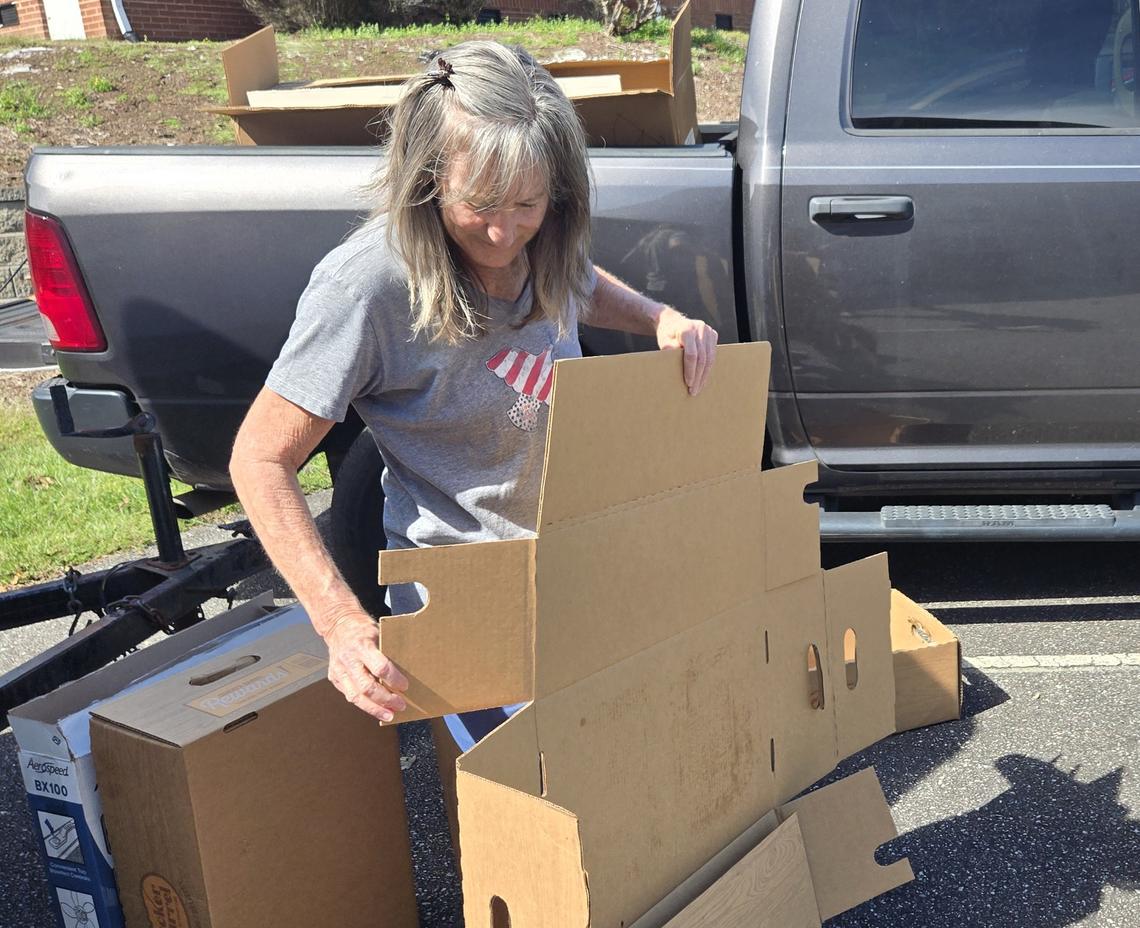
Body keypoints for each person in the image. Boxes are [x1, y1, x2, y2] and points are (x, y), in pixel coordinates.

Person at [229, 41, 718, 749]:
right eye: (480, 204)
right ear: (428, 179)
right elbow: (259, 460)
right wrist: (339, 621)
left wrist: (658, 319)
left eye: (527, 203)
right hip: (465, 594)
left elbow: (576, 279)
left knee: (637, 765)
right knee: (539, 805)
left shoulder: (541, 238)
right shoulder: (366, 288)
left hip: (574, 566)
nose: (504, 231)